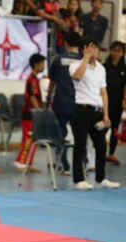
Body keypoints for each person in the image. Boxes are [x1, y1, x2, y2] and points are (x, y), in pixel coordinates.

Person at [69, 37, 119, 189]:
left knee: (101, 145)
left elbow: (103, 92)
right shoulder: (75, 65)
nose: (95, 52)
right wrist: (85, 58)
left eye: (96, 49)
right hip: (82, 109)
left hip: (97, 111)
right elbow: (77, 76)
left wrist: (106, 114)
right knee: (80, 144)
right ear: (84, 49)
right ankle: (79, 179)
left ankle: (101, 178)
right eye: (91, 48)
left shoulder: (101, 68)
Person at [47, 31, 81, 174]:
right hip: (79, 102)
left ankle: (63, 164)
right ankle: (81, 165)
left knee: (60, 134)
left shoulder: (58, 59)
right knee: (80, 135)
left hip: (61, 102)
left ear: (65, 43)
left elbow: (52, 81)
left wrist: (48, 97)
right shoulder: (83, 60)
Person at [15, 54, 46, 172]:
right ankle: (21, 162)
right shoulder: (31, 80)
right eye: (42, 64)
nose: (43, 67)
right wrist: (39, 112)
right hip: (30, 114)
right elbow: (32, 97)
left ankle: (28, 163)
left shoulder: (35, 79)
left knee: (33, 139)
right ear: (36, 65)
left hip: (33, 114)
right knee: (28, 139)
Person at [103, 41, 126, 165]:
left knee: (115, 130)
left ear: (123, 53)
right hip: (105, 103)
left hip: (118, 103)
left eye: (119, 51)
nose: (116, 53)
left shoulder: (124, 68)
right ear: (110, 51)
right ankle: (99, 152)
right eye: (114, 50)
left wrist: (124, 100)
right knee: (102, 129)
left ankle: (111, 154)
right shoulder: (104, 67)